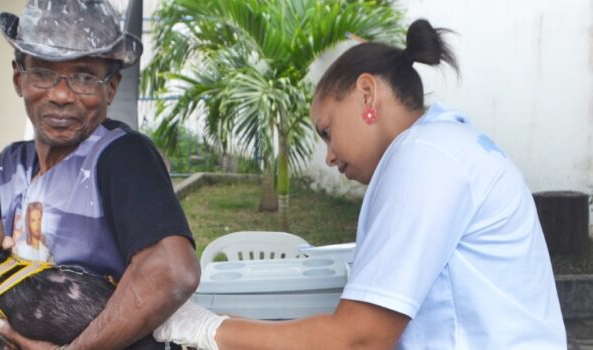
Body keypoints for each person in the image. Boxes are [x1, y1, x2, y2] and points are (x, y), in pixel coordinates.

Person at [153, 19, 566, 349]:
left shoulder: (425, 157)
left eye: (327, 131)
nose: (330, 156)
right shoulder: (445, 145)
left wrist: (208, 330)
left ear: (367, 94)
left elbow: (358, 338)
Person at [0, 1, 200, 349]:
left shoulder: (122, 156)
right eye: (42, 73)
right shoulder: (10, 167)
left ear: (110, 88)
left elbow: (172, 271)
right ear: (18, 79)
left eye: (85, 77)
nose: (60, 95)